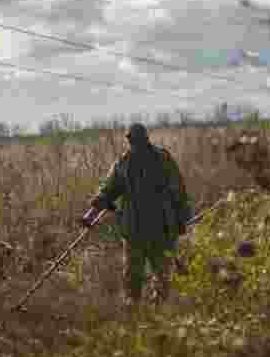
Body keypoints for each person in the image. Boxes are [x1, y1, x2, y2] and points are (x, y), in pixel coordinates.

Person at [82, 123, 192, 306]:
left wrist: (181, 219)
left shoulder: (159, 159)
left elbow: (178, 191)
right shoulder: (126, 162)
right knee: (138, 273)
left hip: (158, 227)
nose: (134, 144)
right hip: (138, 229)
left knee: (159, 273)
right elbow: (108, 191)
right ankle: (136, 308)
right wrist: (91, 214)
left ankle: (154, 308)